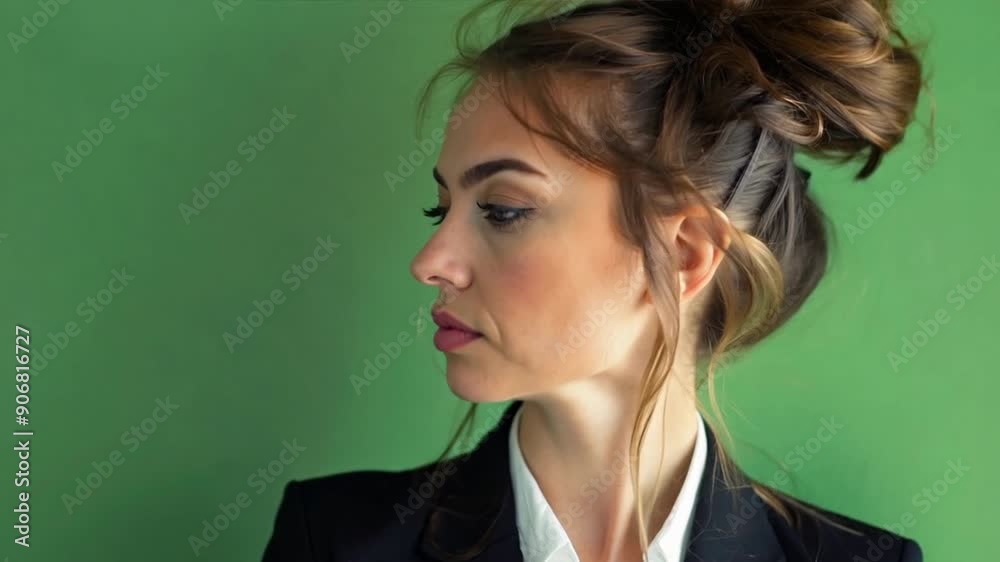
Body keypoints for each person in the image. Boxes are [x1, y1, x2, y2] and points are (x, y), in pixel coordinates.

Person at [262, 0, 930, 560]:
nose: (431, 261)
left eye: (502, 210)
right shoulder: (336, 540)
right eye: (442, 210)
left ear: (683, 254)